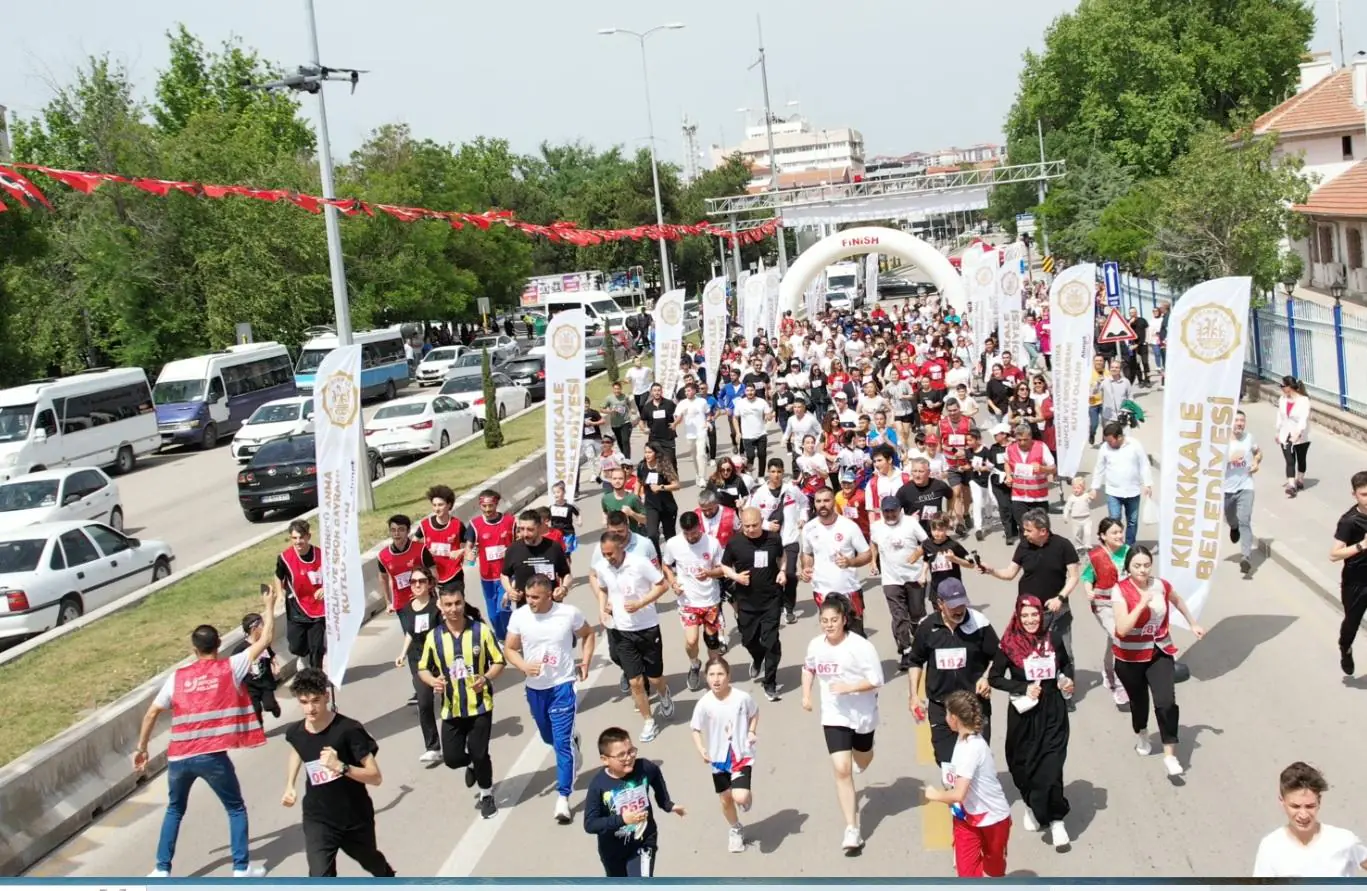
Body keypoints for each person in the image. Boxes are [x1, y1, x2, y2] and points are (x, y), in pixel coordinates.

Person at [137, 589, 276, 878]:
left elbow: (152, 712)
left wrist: (142, 748)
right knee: (235, 808)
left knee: (175, 809)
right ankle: (241, 869)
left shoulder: (177, 678)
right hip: (212, 756)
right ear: (219, 644)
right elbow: (265, 640)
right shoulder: (231, 667)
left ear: (193, 649)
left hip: (178, 757)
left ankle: (161, 870)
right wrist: (269, 605)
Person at [280, 668, 394, 877]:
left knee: (371, 861)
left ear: (326, 696)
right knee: (319, 876)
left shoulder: (349, 730)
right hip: (318, 818)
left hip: (354, 817)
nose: (310, 709)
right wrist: (290, 785)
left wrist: (341, 767)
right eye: (304, 702)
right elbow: (297, 751)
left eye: (315, 701)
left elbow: (375, 777)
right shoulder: (295, 732)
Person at [504, 575, 595, 823]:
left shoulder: (568, 614)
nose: (530, 601)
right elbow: (510, 648)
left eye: (535, 597)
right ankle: (573, 741)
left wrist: (585, 662)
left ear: (549, 595)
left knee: (561, 746)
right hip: (535, 689)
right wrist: (524, 665)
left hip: (562, 686)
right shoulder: (520, 616)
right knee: (548, 737)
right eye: (527, 596)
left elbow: (588, 634)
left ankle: (563, 798)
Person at [1111, 545, 1206, 777]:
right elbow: (1122, 629)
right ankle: (1142, 732)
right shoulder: (1120, 591)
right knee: (1139, 702)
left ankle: (1170, 755)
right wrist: (1142, 603)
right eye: (1137, 566)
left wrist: (1192, 622)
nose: (1142, 570)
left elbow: (1177, 599)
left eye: (1146, 565)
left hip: (1158, 651)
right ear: (1128, 567)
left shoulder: (1160, 585)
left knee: (1166, 702)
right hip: (1129, 657)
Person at [802, 595, 885, 856]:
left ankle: (866, 752)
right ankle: (852, 828)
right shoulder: (816, 645)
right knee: (841, 769)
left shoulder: (860, 647)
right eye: (824, 621)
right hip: (834, 715)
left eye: (833, 620)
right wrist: (806, 694)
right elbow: (809, 668)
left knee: (863, 759)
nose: (829, 625)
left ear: (844, 620)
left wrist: (849, 687)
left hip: (862, 714)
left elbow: (877, 679)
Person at [989, 595, 1074, 849]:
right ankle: (1031, 805)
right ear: (1018, 615)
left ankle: (1057, 820)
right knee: (1022, 766)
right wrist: (1023, 687)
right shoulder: (1009, 644)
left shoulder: (1053, 639)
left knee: (1051, 768)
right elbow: (995, 677)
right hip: (1024, 714)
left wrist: (1065, 680)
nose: (1030, 620)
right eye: (1025, 615)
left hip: (1053, 712)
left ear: (1041, 615)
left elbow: (1066, 665)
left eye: (1034, 615)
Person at [416, 584, 505, 820]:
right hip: (451, 709)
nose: (453, 609)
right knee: (453, 759)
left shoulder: (480, 631)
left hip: (480, 707)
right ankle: (473, 765)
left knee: (480, 752)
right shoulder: (435, 638)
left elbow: (499, 662)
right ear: (441, 607)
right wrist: (433, 680)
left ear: (464, 602)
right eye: (448, 605)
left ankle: (486, 794)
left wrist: (485, 678)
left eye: (457, 603)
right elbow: (423, 668)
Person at [593, 529, 675, 742]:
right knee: (636, 682)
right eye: (604, 554)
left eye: (610, 553)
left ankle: (664, 694)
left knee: (655, 677)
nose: (608, 558)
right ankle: (649, 721)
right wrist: (602, 609)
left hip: (647, 627)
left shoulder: (639, 563)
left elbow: (662, 585)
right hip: (621, 631)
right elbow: (602, 588)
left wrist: (641, 603)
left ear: (621, 547)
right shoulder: (603, 567)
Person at [907, 579, 998, 764]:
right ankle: (954, 790)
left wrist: (986, 677)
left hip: (973, 704)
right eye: (953, 606)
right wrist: (914, 696)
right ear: (940, 604)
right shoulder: (927, 627)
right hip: (941, 707)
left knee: (977, 761)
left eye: (962, 604)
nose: (959, 610)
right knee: (947, 762)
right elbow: (915, 661)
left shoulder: (979, 623)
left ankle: (970, 792)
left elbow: (998, 656)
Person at [925, 690, 1012, 878]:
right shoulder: (963, 737)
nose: (945, 717)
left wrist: (934, 794)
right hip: (966, 817)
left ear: (955, 718)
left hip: (993, 818)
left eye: (947, 714)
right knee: (967, 874)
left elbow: (958, 794)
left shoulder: (972, 748)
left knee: (994, 871)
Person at [583, 726, 686, 877]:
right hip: (612, 850)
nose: (629, 757)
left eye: (631, 751)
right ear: (605, 760)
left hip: (643, 841)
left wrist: (666, 803)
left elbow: (656, 775)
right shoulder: (598, 785)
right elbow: (590, 824)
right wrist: (622, 819)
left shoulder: (644, 767)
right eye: (621, 755)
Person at [979, 508, 1080, 659]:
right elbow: (1010, 573)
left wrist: (1060, 598)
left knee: (1063, 653)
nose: (1024, 534)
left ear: (1043, 531)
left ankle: (1066, 680)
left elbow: (1074, 577)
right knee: (1032, 653)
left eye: (1028, 530)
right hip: (1029, 612)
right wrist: (991, 570)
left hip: (1057, 611)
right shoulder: (1023, 546)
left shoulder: (1063, 545)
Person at [689, 656, 760, 854]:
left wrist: (751, 732)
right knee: (725, 799)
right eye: (712, 675)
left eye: (720, 674)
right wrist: (701, 748)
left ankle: (744, 796)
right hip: (718, 759)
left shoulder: (742, 698)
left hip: (741, 754)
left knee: (739, 796)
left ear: (728, 676)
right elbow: (695, 728)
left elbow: (754, 713)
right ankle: (735, 829)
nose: (716, 679)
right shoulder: (704, 704)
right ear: (706, 678)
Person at [1253, 762, 1367, 877]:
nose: (1303, 815)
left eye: (1310, 806)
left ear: (1319, 802)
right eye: (1295, 806)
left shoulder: (1344, 840)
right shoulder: (1270, 846)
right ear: (1282, 801)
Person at [721, 507, 787, 700]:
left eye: (754, 525)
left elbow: (781, 556)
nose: (750, 529)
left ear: (762, 521)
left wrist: (782, 571)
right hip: (746, 601)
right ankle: (758, 658)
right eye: (746, 526)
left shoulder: (773, 539)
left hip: (771, 599)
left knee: (771, 642)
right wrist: (735, 576)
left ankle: (770, 682)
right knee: (748, 640)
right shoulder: (735, 542)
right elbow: (724, 565)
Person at [662, 512, 728, 694]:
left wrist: (709, 573)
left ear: (700, 526)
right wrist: (673, 582)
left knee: (712, 641)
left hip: (710, 599)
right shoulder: (673, 544)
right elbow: (666, 565)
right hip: (688, 601)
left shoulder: (712, 543)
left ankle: (714, 677)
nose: (691, 537)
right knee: (691, 640)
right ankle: (694, 664)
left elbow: (722, 569)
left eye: (694, 533)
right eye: (687, 533)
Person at [799, 488, 873, 636]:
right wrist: (806, 568)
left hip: (849, 590)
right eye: (818, 501)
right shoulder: (809, 528)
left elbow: (867, 554)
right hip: (822, 591)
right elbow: (806, 553)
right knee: (833, 636)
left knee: (856, 635)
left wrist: (850, 562)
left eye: (826, 500)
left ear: (833, 501)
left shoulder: (848, 526)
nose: (822, 505)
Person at [869, 497, 929, 671]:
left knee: (917, 615)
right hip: (891, 580)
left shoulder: (910, 523)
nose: (889, 514)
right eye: (886, 511)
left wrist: (917, 555)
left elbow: (926, 543)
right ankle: (905, 650)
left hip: (914, 577)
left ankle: (920, 646)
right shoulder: (876, 527)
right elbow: (873, 543)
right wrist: (873, 561)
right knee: (899, 617)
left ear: (899, 510)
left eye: (893, 511)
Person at [747, 458, 807, 626]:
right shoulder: (760, 493)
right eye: (773, 471)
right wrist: (766, 525)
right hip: (769, 541)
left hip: (790, 539)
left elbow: (804, 503)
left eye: (779, 471)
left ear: (783, 472)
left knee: (789, 575)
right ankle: (777, 603)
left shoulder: (791, 489)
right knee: (772, 576)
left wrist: (803, 518)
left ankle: (789, 608)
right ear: (768, 472)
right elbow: (751, 514)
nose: (776, 475)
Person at [392, 568, 442, 761]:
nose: (417, 585)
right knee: (424, 702)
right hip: (419, 661)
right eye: (413, 582)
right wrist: (402, 654)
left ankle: (457, 734)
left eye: (421, 581)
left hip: (438, 659)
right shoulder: (407, 609)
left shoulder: (437, 606)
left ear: (429, 584)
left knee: (450, 699)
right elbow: (410, 633)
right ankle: (433, 747)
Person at [1080, 518, 1130, 706]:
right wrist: (1088, 590)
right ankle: (1118, 685)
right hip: (1104, 605)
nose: (1119, 536)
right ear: (1102, 536)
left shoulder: (1128, 551)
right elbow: (1087, 576)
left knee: (1115, 637)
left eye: (1120, 531)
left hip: (1125, 604)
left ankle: (1108, 671)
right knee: (1120, 637)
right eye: (1114, 533)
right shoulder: (1096, 556)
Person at [1087, 421, 1153, 547]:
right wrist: (1094, 488)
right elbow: (1099, 468)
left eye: (1111, 441)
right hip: (1113, 492)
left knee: (1132, 521)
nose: (1108, 444)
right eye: (1106, 441)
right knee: (1114, 520)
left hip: (1133, 491)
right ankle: (1115, 546)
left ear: (1119, 437)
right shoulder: (1104, 448)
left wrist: (1148, 484)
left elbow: (1144, 464)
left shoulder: (1135, 444)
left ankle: (1129, 546)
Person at [465, 489, 517, 641]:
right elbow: (468, 546)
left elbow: (518, 542)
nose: (487, 510)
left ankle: (512, 639)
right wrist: (469, 554)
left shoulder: (510, 521)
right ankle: (501, 638)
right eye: (484, 506)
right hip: (487, 577)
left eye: (491, 506)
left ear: (497, 504)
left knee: (504, 608)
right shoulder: (475, 525)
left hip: (506, 576)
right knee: (493, 615)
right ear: (480, 505)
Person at [276, 519, 326, 670]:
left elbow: (335, 575)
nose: (298, 542)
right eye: (294, 538)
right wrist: (279, 593)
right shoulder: (285, 558)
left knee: (316, 648)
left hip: (318, 609)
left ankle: (317, 679)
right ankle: (302, 656)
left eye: (301, 538)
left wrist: (326, 588)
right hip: (297, 608)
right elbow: (278, 576)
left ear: (308, 537)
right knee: (296, 646)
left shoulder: (321, 555)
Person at [1330, 470, 1367, 677]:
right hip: (1356, 582)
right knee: (1351, 625)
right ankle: (1345, 648)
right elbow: (1334, 554)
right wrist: (1362, 545)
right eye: (1364, 495)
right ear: (1354, 495)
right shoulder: (1349, 521)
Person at [500, 509, 573, 608]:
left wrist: (564, 589)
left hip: (551, 607)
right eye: (521, 529)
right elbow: (504, 575)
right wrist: (510, 590)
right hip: (525, 609)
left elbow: (566, 574)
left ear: (539, 527)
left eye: (530, 529)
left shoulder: (554, 547)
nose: (525, 534)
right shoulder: (513, 549)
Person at [1223, 409, 1261, 576]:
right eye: (1236, 420)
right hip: (1226, 489)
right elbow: (1210, 463)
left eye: (1242, 421)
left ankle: (1246, 558)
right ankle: (1233, 526)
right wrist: (1229, 461)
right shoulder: (1222, 442)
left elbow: (1258, 452)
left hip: (1246, 485)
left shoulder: (1249, 438)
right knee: (1232, 518)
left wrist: (1256, 462)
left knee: (1245, 520)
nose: (1239, 424)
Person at [413, 485, 468, 595]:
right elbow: (413, 545)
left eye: (440, 505)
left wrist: (461, 551)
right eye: (434, 505)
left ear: (449, 505)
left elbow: (474, 547)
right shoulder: (425, 525)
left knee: (454, 609)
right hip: (430, 576)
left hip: (453, 574)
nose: (437, 508)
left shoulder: (457, 525)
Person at [376, 514, 434, 616]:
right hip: (402, 605)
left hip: (424, 600)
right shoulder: (383, 556)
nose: (397, 533)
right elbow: (383, 578)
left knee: (428, 631)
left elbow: (434, 572)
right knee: (409, 632)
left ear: (408, 531)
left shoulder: (421, 550)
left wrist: (428, 591)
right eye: (393, 530)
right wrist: (388, 602)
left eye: (401, 530)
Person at [233, 612, 280, 727]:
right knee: (255, 709)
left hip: (265, 682)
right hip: (250, 685)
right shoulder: (240, 649)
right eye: (262, 625)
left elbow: (271, 655)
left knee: (268, 705)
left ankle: (274, 705)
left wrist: (275, 664)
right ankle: (259, 727)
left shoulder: (263, 644)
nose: (264, 628)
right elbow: (233, 665)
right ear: (254, 628)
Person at [637, 441, 682, 554]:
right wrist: (636, 495)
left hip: (667, 506)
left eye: (650, 452)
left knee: (670, 537)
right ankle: (657, 560)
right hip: (651, 505)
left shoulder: (664, 465)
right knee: (652, 535)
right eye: (645, 452)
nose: (647, 455)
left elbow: (677, 485)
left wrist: (661, 487)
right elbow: (638, 481)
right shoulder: (642, 466)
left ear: (656, 453)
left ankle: (673, 563)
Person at [1276, 375, 1311, 498]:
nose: (1281, 388)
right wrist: (1278, 432)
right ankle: (1291, 485)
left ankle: (1300, 479)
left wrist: (1298, 432)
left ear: (1289, 387)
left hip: (1300, 434)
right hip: (1285, 433)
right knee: (1289, 460)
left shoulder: (1304, 400)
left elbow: (1304, 418)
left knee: (1301, 459)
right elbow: (1280, 416)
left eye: (1282, 386)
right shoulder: (1282, 399)